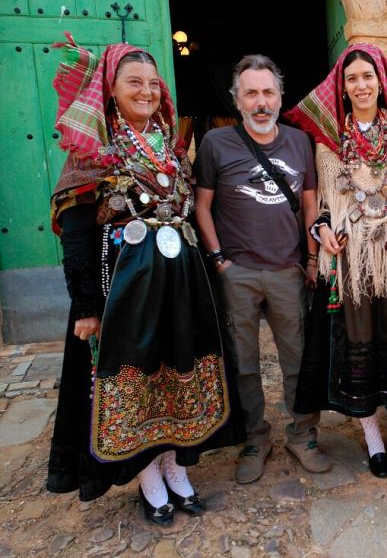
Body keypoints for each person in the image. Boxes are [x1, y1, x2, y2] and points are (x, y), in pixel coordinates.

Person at [46, 34, 244, 525]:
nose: (146, 91)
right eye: (134, 82)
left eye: (153, 84)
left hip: (182, 287)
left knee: (180, 370)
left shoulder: (173, 149)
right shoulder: (94, 152)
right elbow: (75, 233)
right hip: (124, 293)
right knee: (136, 378)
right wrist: (88, 306)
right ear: (110, 89)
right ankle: (146, 476)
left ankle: (176, 465)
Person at [285, 44, 387, 478]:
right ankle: (371, 435)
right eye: (352, 79)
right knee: (358, 340)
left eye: (368, 76)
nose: (361, 85)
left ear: (381, 82)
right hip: (351, 261)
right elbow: (326, 203)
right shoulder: (328, 141)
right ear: (342, 89)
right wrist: (321, 229)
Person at [194, 55, 331, 483]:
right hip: (239, 273)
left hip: (289, 269)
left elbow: (309, 202)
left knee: (297, 358)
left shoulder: (298, 141)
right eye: (251, 92)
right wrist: (220, 261)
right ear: (237, 100)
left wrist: (310, 259)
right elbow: (202, 206)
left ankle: (302, 434)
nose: (260, 101)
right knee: (244, 362)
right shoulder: (216, 144)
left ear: (280, 97)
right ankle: (255, 436)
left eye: (268, 92)